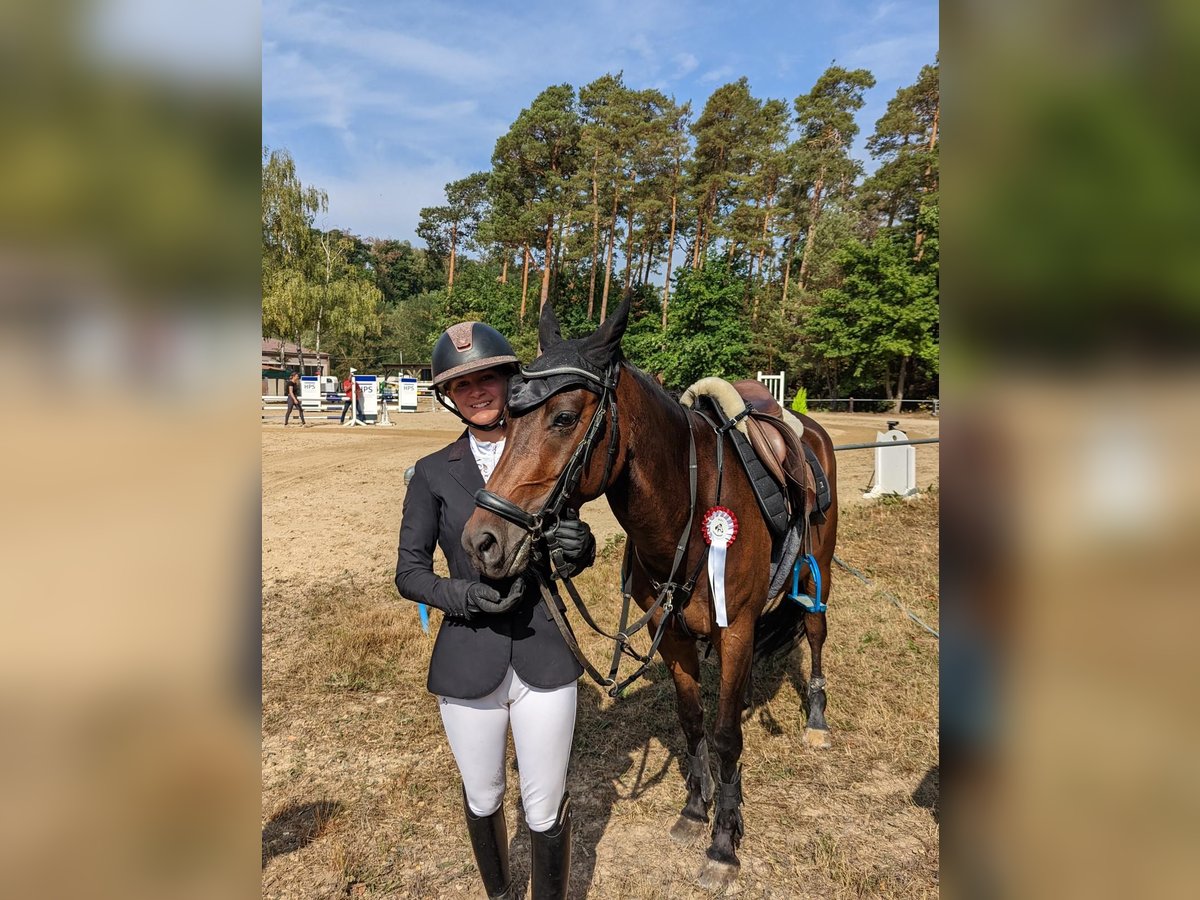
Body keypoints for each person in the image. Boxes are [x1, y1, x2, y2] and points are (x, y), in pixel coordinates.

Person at [395, 321, 596, 900]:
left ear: (510, 380)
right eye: (462, 384)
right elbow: (409, 573)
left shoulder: (545, 451)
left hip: (543, 649)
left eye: (488, 377)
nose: (477, 391)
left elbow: (565, 544)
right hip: (467, 652)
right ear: (449, 397)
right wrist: (465, 597)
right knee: (483, 796)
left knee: (545, 801)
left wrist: (579, 548)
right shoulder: (433, 472)